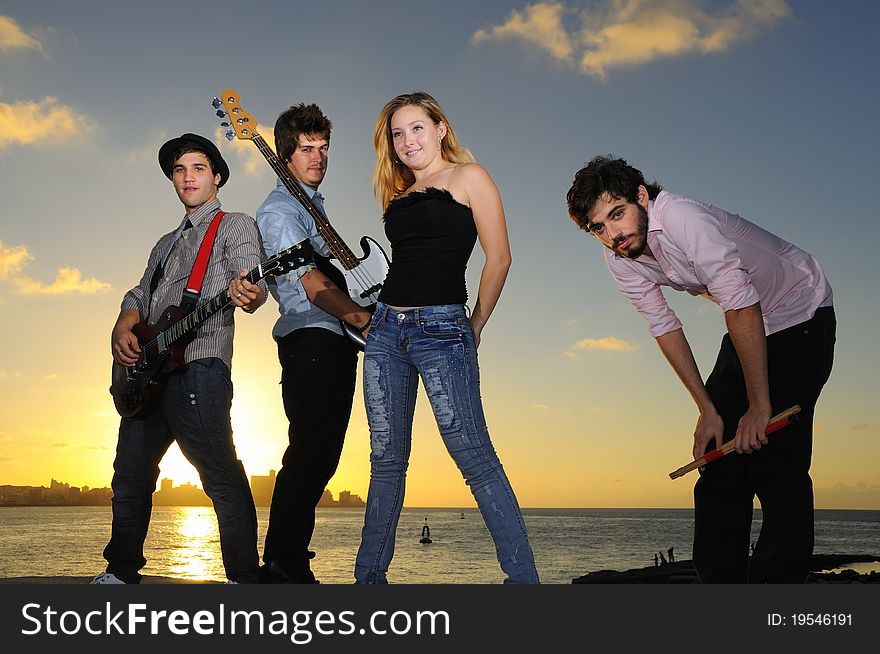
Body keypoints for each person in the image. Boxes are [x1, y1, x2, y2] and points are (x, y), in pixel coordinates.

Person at [567, 156, 835, 583]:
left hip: (801, 311)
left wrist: (760, 406)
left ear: (641, 197)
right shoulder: (620, 258)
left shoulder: (682, 218)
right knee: (716, 459)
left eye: (616, 214)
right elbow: (664, 326)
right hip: (750, 320)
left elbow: (740, 305)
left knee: (775, 458)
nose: (612, 234)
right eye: (598, 227)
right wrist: (707, 409)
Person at [354, 91, 539, 584]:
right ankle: (367, 582)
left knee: (473, 454)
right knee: (386, 460)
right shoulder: (396, 194)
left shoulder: (469, 177)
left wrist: (474, 324)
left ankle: (524, 584)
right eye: (397, 133)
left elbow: (499, 258)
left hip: (443, 329)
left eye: (417, 128)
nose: (407, 140)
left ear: (440, 128)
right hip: (385, 331)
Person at [93, 133, 267, 584]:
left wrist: (250, 291)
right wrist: (124, 320)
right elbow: (139, 292)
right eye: (179, 170)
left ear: (217, 177)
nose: (188, 177)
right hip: (145, 376)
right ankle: (121, 574)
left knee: (221, 476)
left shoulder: (236, 224)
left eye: (198, 168)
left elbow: (252, 279)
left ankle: (245, 582)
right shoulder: (164, 243)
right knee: (129, 475)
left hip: (200, 368)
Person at [256, 103, 372, 584]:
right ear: (286, 155)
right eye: (307, 149)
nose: (319, 157)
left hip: (335, 338)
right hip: (312, 337)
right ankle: (283, 562)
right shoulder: (281, 210)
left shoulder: (311, 206)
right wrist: (359, 316)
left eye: (324, 148)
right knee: (308, 452)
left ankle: (290, 556)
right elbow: (307, 282)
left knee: (321, 454)